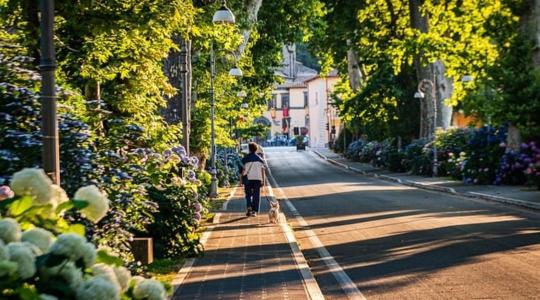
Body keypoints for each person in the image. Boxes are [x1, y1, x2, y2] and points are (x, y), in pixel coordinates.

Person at [241, 142, 266, 217]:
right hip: (257, 179)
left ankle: (249, 207)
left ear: (249, 149)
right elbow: (263, 170)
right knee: (256, 195)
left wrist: (241, 181)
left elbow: (242, 171)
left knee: (248, 194)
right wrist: (263, 181)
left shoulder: (245, 159)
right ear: (256, 149)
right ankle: (254, 211)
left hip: (248, 178)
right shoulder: (260, 159)